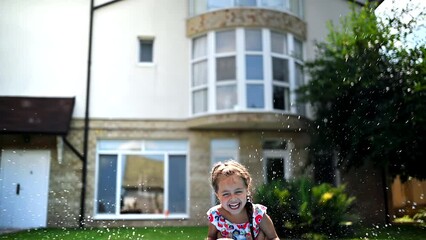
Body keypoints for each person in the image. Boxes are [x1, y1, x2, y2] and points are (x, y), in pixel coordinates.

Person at [206, 160, 280, 240]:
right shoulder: (216, 216)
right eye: (226, 194)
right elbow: (210, 237)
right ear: (217, 195)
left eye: (238, 192)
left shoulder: (257, 214)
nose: (233, 198)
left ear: (247, 190)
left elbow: (274, 237)